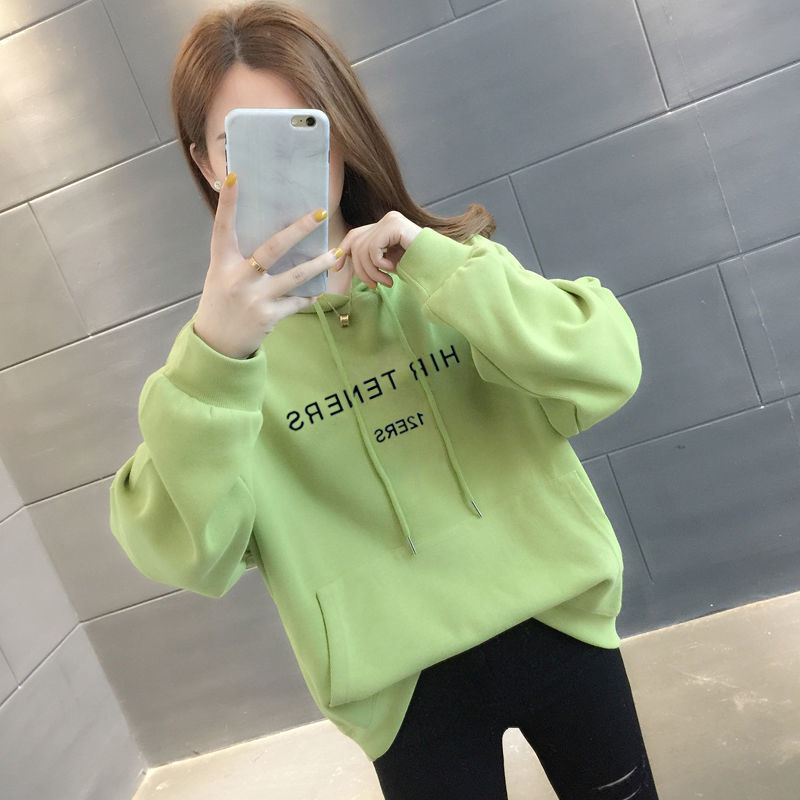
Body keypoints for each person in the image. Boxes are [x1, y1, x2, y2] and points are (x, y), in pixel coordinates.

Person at [109, 3, 659, 798]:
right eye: (242, 142)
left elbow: (605, 367)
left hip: (561, 628)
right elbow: (180, 552)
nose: (287, 161)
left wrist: (438, 265)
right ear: (203, 163)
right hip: (404, 696)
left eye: (304, 126)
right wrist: (216, 358)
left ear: (344, 124)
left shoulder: (447, 272)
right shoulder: (219, 367)